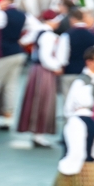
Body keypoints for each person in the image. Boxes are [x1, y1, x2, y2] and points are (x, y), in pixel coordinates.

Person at [16, 11, 65, 149]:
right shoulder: (48, 36)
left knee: (36, 100)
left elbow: (25, 41)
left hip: (36, 69)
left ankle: (36, 132)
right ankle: (39, 134)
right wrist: (56, 67)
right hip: (44, 71)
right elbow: (45, 57)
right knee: (43, 101)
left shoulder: (39, 31)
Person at [0, 0, 27, 132]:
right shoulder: (22, 14)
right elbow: (36, 28)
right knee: (11, 87)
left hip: (3, 54)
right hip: (18, 52)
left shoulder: (1, 14)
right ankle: (8, 118)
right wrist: (23, 42)